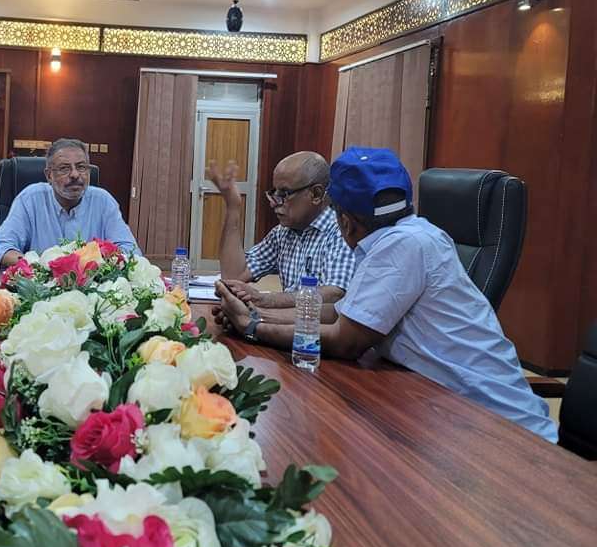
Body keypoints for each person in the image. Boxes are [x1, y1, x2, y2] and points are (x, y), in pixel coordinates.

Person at [214, 146, 557, 442]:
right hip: (446, 407)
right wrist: (257, 310)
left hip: (499, 427)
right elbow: (340, 311)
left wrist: (252, 326)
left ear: (344, 222)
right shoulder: (404, 236)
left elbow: (345, 340)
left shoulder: (402, 246)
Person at [207, 151, 354, 320]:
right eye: (274, 192)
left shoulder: (341, 231)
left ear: (316, 194)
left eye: (284, 194)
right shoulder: (282, 233)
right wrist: (233, 206)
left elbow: (334, 295)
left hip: (316, 333)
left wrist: (263, 301)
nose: (273, 202)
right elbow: (235, 276)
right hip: (286, 328)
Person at [0, 138, 138, 267]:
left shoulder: (103, 201)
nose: (75, 175)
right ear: (49, 176)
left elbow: (131, 252)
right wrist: (40, 266)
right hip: (41, 287)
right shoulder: (30, 199)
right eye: (64, 168)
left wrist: (95, 263)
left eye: (81, 167)